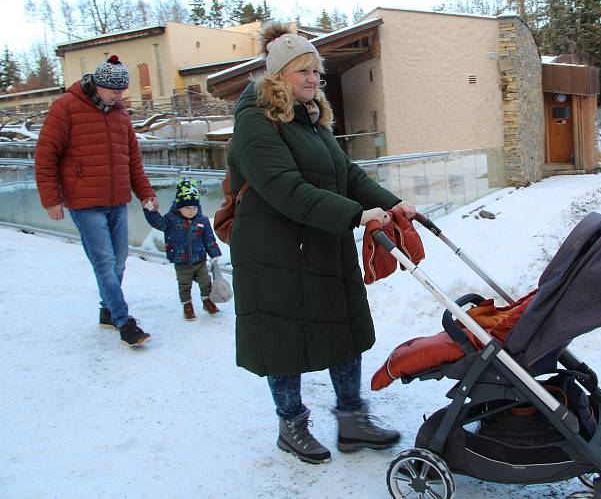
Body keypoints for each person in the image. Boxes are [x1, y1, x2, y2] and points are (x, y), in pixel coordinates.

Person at [228, 23, 416, 464]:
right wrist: (354, 214)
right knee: (283, 337)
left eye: (317, 71)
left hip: (320, 241)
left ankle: (352, 420)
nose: (313, 79)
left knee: (341, 326)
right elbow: (284, 187)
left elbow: (347, 175)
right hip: (274, 252)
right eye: (302, 71)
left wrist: (393, 203)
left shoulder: (311, 120)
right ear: (277, 77)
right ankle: (291, 425)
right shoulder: (256, 121)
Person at [34, 55, 157, 348]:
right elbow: (45, 155)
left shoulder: (120, 113)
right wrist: (51, 200)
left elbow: (133, 161)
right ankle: (125, 322)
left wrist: (146, 194)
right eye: (113, 90)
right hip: (84, 201)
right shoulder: (65, 107)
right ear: (97, 85)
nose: (118, 95)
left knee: (119, 261)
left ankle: (107, 310)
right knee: (104, 263)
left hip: (116, 199)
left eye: (122, 91)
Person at [143, 178, 223, 321]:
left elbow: (209, 239)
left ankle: (207, 301)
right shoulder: (171, 220)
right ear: (179, 207)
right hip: (181, 262)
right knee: (184, 285)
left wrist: (214, 254)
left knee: (206, 282)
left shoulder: (202, 221)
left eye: (194, 207)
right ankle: (187, 305)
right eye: (187, 208)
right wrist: (149, 210)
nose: (192, 211)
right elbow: (157, 222)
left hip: (199, 260)